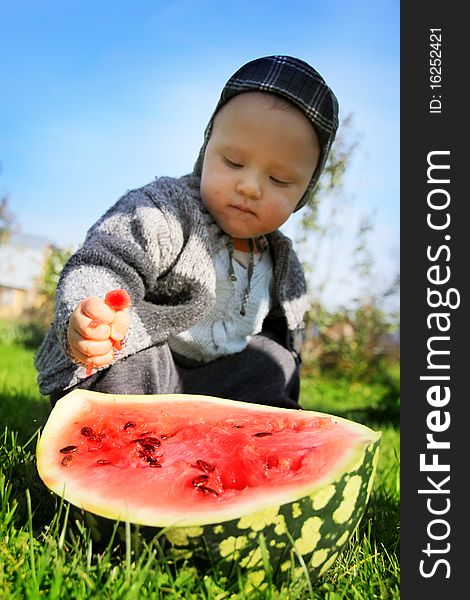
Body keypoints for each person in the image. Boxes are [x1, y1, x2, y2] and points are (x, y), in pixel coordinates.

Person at [35, 55, 339, 409]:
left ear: (304, 192)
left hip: (213, 383)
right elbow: (104, 261)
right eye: (233, 162)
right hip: (147, 361)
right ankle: (112, 430)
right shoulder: (164, 209)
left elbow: (284, 337)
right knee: (129, 362)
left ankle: (264, 440)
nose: (250, 186)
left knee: (274, 362)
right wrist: (91, 315)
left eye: (279, 180)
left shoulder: (284, 265)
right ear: (206, 149)